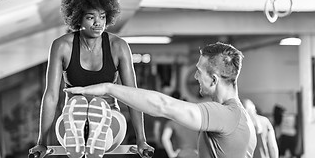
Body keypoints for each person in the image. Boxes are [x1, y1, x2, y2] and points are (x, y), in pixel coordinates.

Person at [65, 42, 257, 158]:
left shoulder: (226, 115)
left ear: (214, 79)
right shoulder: (244, 117)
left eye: (199, 72)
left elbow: (163, 105)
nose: (195, 77)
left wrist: (109, 88)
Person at [29, 0, 153, 158]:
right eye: (90, 17)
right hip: (75, 121)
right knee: (75, 115)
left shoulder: (118, 46)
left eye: (102, 16)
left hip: (109, 115)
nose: (98, 23)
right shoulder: (63, 46)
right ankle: (84, 129)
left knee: (90, 113)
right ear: (77, 17)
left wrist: (142, 140)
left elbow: (132, 95)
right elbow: (51, 96)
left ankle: (94, 127)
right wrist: (40, 142)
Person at [161, 91, 200, 158]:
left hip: (181, 154)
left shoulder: (172, 122)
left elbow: (164, 138)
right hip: (196, 154)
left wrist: (171, 154)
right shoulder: (196, 122)